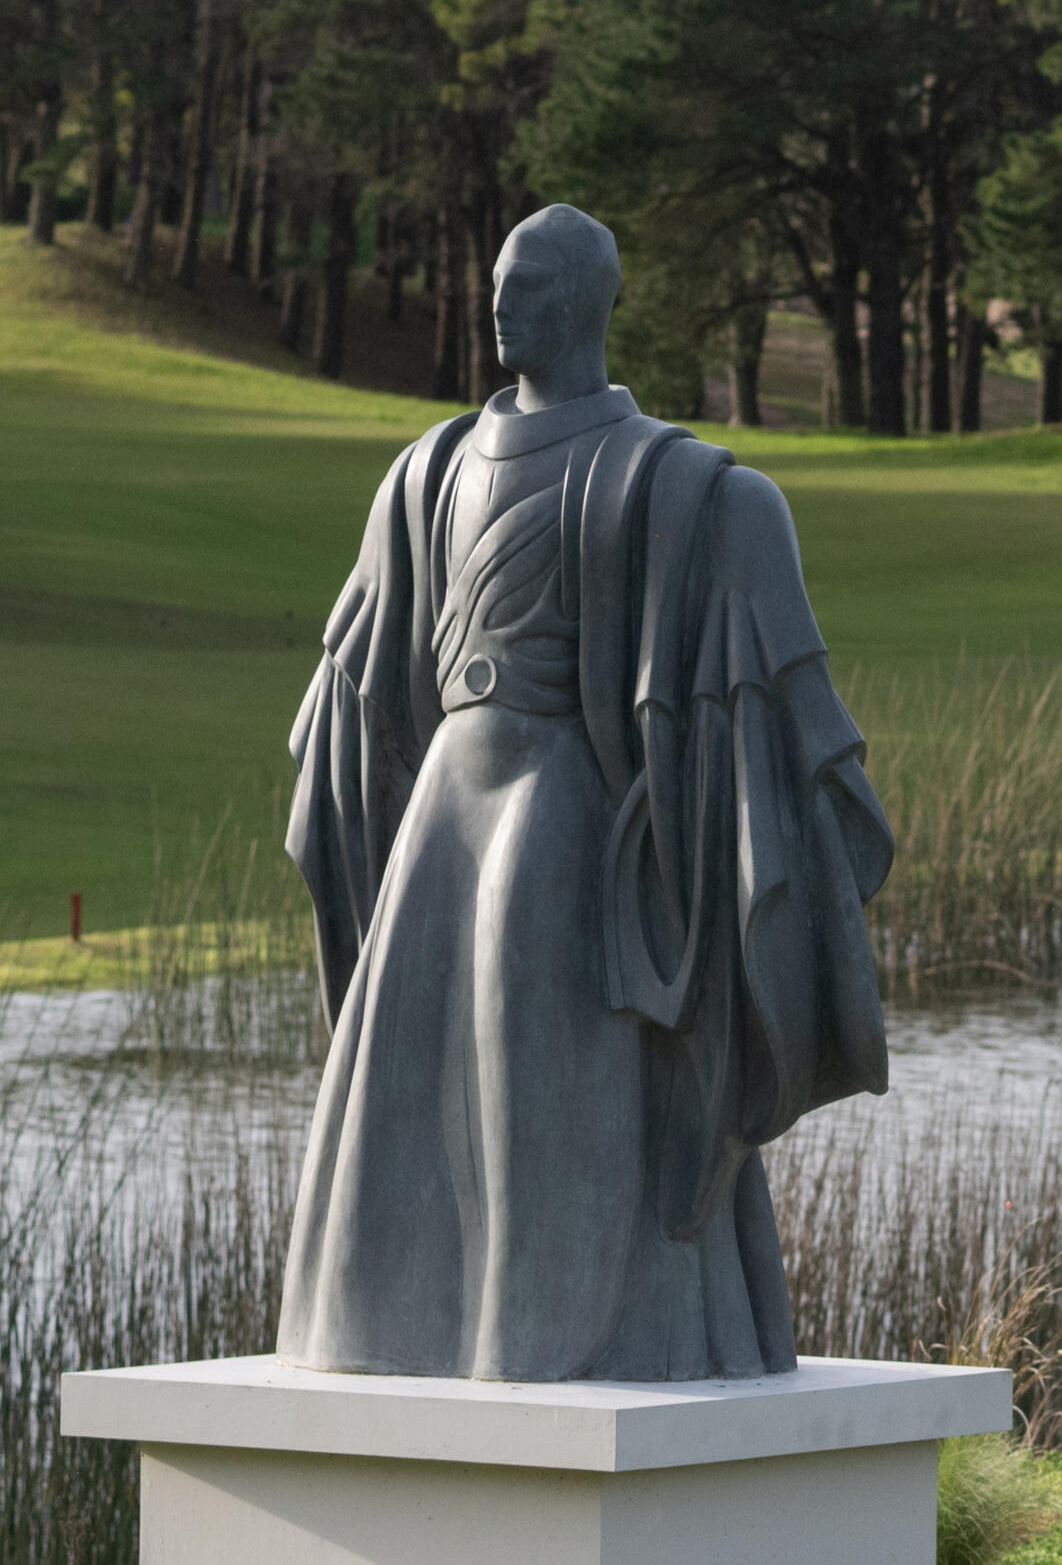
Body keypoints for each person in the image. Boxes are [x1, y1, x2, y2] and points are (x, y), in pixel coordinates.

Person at [278, 203, 893, 1381]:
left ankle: (549, 1340)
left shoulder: (675, 481)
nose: (500, 303)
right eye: (497, 282)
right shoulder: (428, 471)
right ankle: (384, 1322)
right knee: (404, 1079)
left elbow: (750, 696)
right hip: (441, 812)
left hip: (562, 806)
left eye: (528, 285)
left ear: (585, 301)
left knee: (539, 1068)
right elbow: (371, 675)